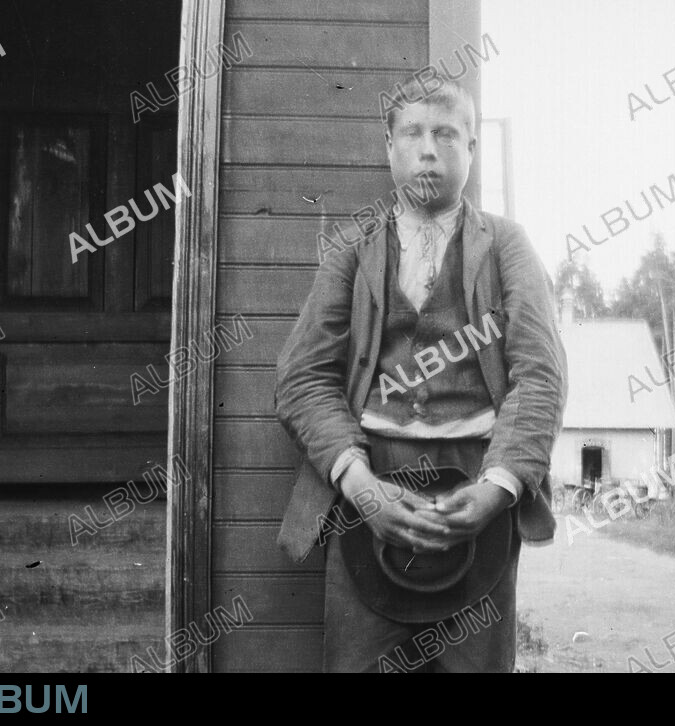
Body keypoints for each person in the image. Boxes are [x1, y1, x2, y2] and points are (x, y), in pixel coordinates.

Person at [274, 74, 567, 672]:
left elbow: (541, 375)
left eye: (445, 134)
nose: (428, 149)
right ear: (388, 147)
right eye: (411, 133)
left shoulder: (509, 246)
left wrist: (497, 488)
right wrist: (360, 489)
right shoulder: (352, 250)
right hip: (368, 490)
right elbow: (302, 378)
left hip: (475, 490)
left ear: (471, 148)